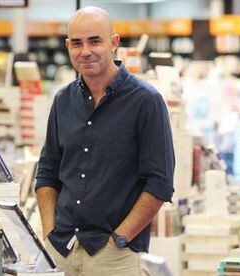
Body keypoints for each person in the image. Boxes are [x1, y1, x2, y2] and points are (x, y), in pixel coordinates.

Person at [35, 6, 175, 276]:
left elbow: (159, 183)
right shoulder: (63, 100)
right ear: (67, 46)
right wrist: (49, 233)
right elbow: (47, 173)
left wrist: (119, 240)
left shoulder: (146, 101)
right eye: (77, 43)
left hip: (115, 258)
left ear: (114, 43)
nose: (85, 51)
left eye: (95, 41)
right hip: (61, 251)